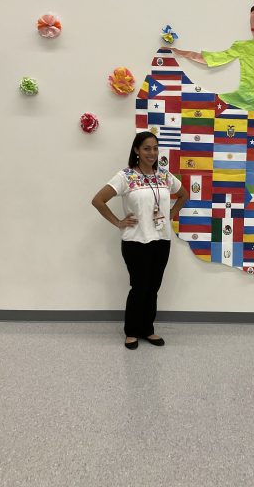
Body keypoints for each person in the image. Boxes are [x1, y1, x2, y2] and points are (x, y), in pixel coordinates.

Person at [92, 131, 189, 349]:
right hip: (135, 242)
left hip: (161, 240)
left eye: (155, 148)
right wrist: (118, 222)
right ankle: (132, 331)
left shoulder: (164, 176)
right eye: (146, 148)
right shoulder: (125, 176)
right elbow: (98, 200)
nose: (152, 153)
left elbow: (183, 194)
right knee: (139, 287)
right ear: (137, 150)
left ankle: (148, 329)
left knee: (153, 287)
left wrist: (171, 213)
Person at [170, 0, 254, 111]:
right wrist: (184, 53)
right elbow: (215, 59)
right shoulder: (242, 46)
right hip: (240, 99)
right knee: (205, 105)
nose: (252, 25)